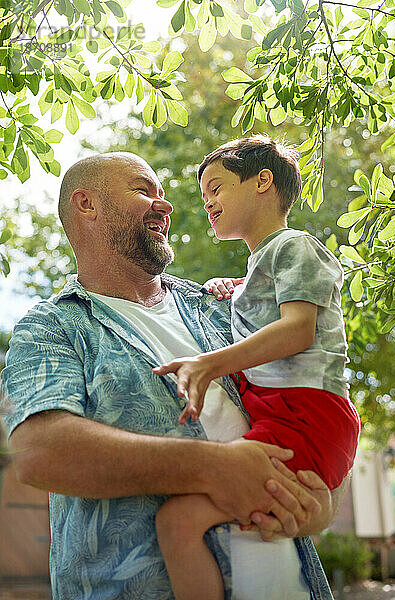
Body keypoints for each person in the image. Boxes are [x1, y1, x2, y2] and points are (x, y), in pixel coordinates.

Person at [1, 151, 343, 600]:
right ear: (87, 205)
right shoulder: (54, 326)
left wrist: (319, 509)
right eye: (144, 191)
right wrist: (215, 469)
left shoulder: (224, 307)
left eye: (163, 194)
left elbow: (312, 403)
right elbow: (38, 450)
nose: (165, 205)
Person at [153, 136, 360, 600]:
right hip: (289, 411)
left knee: (176, 521)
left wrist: (210, 364)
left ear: (263, 181)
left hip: (305, 411)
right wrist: (240, 286)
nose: (208, 203)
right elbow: (269, 298)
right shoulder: (266, 261)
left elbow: (297, 331)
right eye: (205, 196)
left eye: (217, 188)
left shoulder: (295, 246)